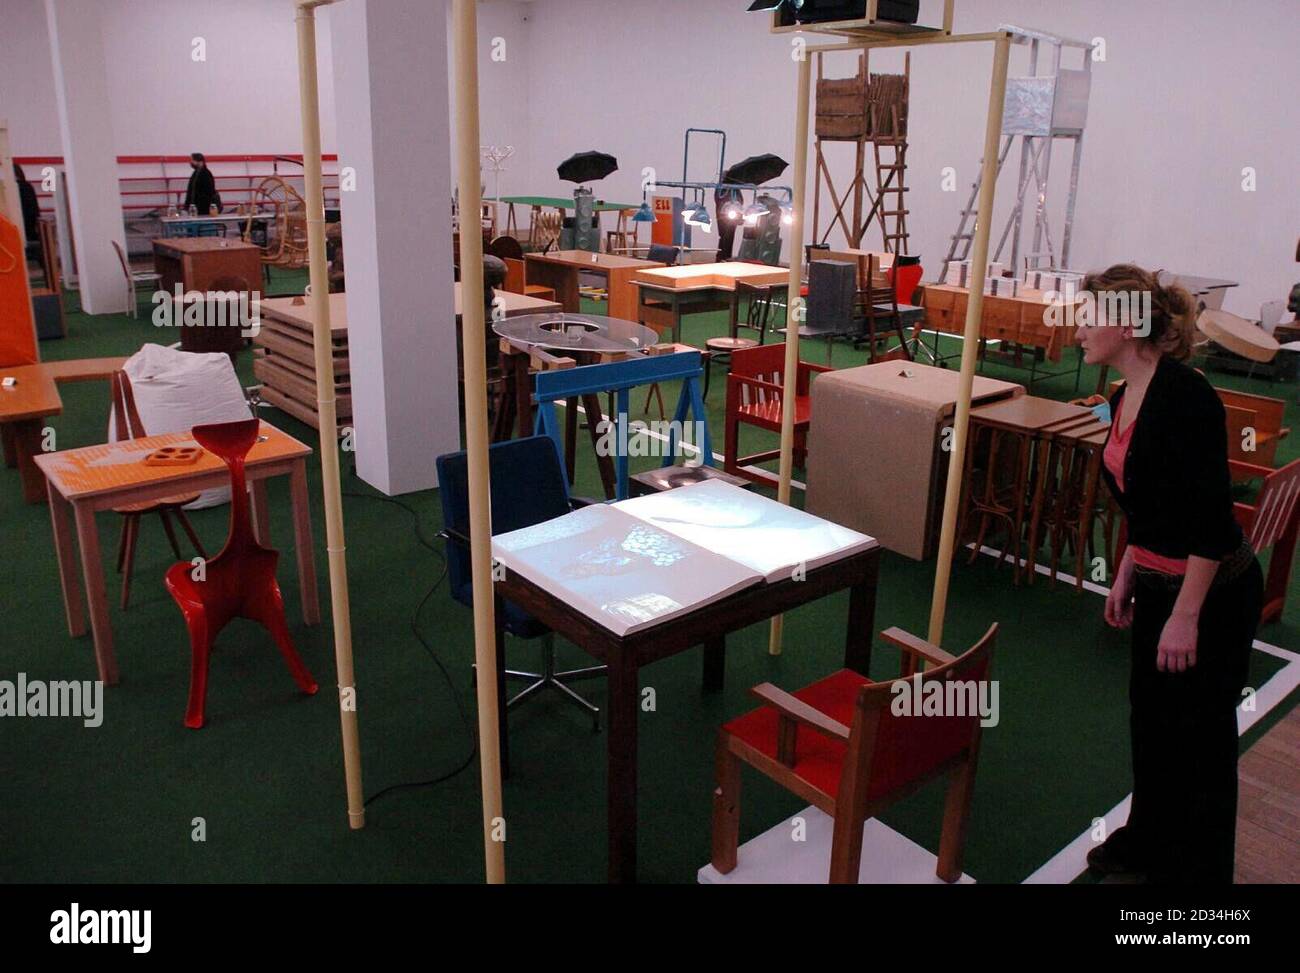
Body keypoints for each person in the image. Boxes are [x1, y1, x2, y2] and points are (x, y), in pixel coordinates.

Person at [1077, 263, 1262, 884]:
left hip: (1211, 593)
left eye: (1090, 316)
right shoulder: (1121, 396)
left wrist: (1185, 615)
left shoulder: (1187, 395)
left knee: (1202, 747)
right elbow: (1149, 499)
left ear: (1127, 326)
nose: (1078, 328)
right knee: (1152, 727)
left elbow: (1210, 517)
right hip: (1159, 583)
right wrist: (1131, 562)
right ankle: (1148, 847)